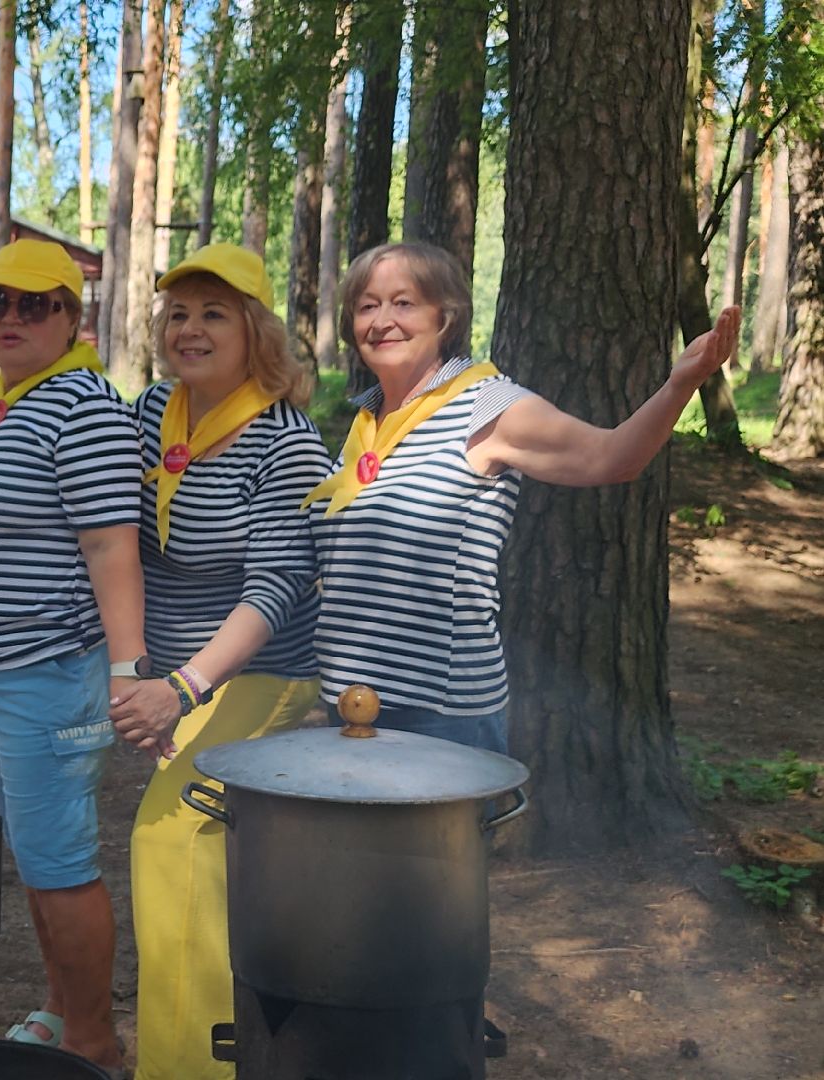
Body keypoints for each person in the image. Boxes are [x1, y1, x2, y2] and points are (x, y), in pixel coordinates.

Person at [305, 241, 741, 753]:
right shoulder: (366, 422)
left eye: (404, 302)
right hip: (348, 702)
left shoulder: (486, 405)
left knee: (436, 839)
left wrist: (678, 386)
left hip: (441, 715)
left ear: (444, 317)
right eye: (366, 305)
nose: (383, 320)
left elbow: (611, 457)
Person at [105, 245, 330, 1080]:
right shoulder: (149, 416)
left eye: (214, 313)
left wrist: (181, 689)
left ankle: (189, 1068)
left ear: (257, 333)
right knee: (202, 855)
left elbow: (277, 589)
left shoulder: (285, 441)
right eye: (178, 313)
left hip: (258, 673)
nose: (188, 329)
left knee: (173, 841)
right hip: (172, 675)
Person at [0, 239, 145, 1075]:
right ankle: (62, 1008)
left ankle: (93, 1037)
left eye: (33, 304)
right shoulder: (6, 404)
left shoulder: (81, 404)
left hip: (50, 674)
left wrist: (128, 670)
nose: (9, 317)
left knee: (61, 865)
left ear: (71, 315)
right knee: (38, 858)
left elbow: (109, 545)